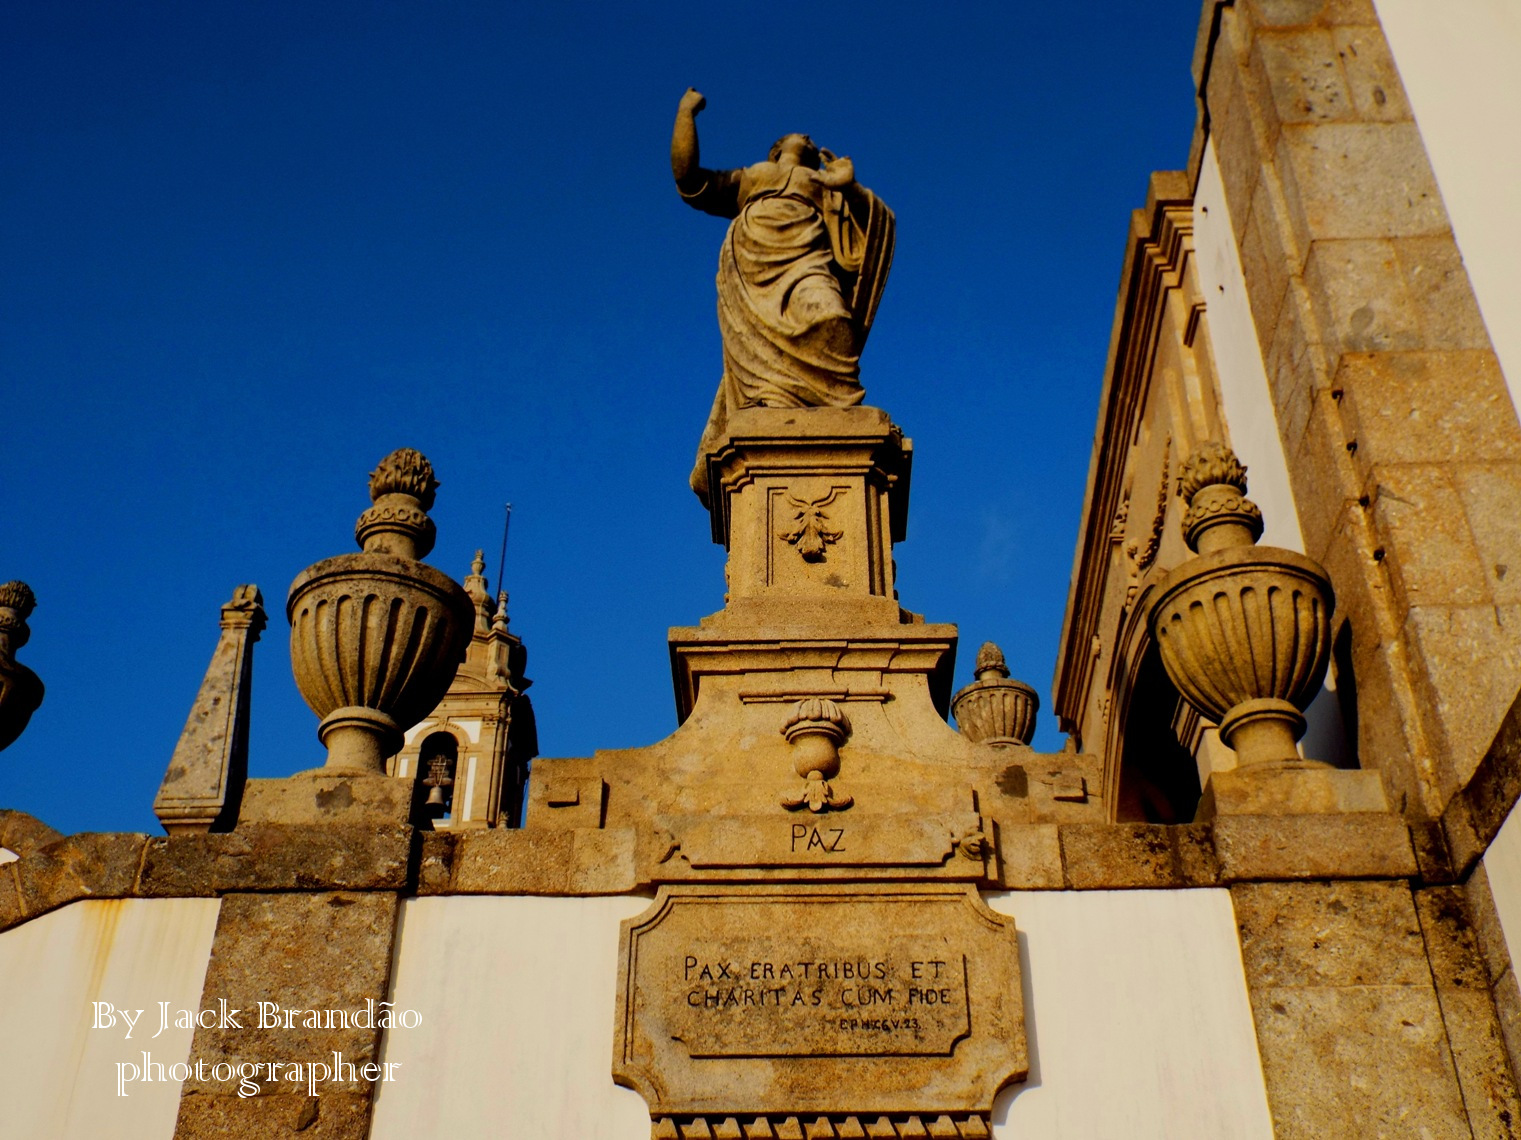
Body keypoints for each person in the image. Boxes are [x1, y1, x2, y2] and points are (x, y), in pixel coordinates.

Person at [671, 88, 895, 498]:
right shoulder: (754, 175)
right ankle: (770, 399)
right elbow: (691, 180)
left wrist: (851, 188)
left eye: (810, 140)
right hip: (755, 258)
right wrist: (686, 113)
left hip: (808, 254)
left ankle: (833, 406)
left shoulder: (827, 182)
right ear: (777, 151)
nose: (807, 137)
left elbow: (877, 230)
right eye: (799, 137)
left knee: (833, 320)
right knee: (763, 353)